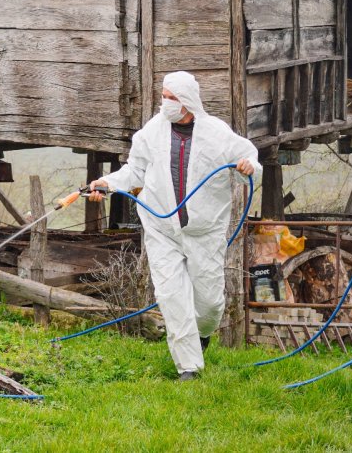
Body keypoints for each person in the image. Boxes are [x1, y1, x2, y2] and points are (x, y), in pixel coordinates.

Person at [88, 71, 260, 380]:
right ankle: (188, 368)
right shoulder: (151, 132)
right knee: (171, 296)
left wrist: (249, 166)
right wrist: (106, 183)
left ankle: (203, 334)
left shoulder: (216, 133)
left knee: (209, 303)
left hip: (204, 232)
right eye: (163, 97)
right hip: (161, 229)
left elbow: (247, 156)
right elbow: (134, 171)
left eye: (171, 98)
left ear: (188, 101)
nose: (165, 103)